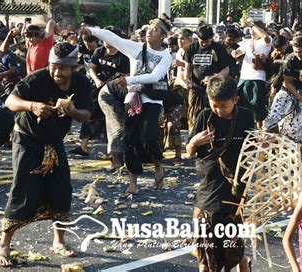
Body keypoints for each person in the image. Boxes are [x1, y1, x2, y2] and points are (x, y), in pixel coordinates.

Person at [0, 42, 93, 266]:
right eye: (53, 66)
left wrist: (72, 110)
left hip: (54, 142)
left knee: (61, 189)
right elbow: (10, 101)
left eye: (63, 68)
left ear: (74, 67)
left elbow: (86, 116)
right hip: (27, 139)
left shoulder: (81, 82)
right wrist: (32, 106)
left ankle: (58, 241)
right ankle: (4, 244)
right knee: (23, 188)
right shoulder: (37, 79)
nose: (57, 72)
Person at [82, 18, 171, 197]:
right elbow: (114, 38)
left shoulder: (166, 56)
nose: (149, 32)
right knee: (129, 140)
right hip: (133, 98)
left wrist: (129, 80)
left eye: (154, 30)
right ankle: (132, 185)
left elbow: (155, 76)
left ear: (162, 35)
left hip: (152, 101)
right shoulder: (136, 48)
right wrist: (92, 31)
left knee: (148, 137)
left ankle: (158, 166)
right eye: (148, 29)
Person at [186, 75, 253, 272]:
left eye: (224, 106)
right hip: (209, 185)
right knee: (206, 245)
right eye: (214, 105)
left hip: (236, 187)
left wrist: (264, 144)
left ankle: (243, 263)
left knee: (233, 242)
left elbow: (255, 146)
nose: (218, 110)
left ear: (235, 100)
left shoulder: (246, 116)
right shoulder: (204, 116)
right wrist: (194, 143)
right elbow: (189, 152)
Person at [71, 27, 130, 158]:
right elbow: (92, 68)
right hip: (98, 89)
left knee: (113, 121)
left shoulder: (123, 56)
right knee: (88, 115)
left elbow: (126, 76)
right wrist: (96, 79)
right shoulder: (99, 51)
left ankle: (114, 152)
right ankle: (83, 146)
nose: (105, 41)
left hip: (115, 94)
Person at [263, 37, 302, 149]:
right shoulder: (291, 59)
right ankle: (274, 146)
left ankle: (298, 153)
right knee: (272, 117)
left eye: (300, 52)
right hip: (289, 90)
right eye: (295, 52)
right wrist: (300, 97)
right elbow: (287, 83)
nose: (297, 55)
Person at [184, 25, 230, 133]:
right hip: (195, 87)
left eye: (207, 41)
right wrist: (187, 80)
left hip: (213, 87)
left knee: (212, 112)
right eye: (202, 41)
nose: (204, 44)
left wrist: (214, 78)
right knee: (193, 113)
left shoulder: (218, 48)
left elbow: (226, 70)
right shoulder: (192, 48)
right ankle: (194, 135)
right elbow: (187, 67)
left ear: (212, 38)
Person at [232, 21, 272, 129]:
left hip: (257, 78)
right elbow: (238, 51)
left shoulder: (266, 41)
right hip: (244, 77)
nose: (252, 32)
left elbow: (266, 37)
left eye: (254, 30)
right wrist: (234, 53)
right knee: (239, 103)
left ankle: (260, 131)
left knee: (257, 107)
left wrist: (253, 26)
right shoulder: (248, 42)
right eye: (251, 30)